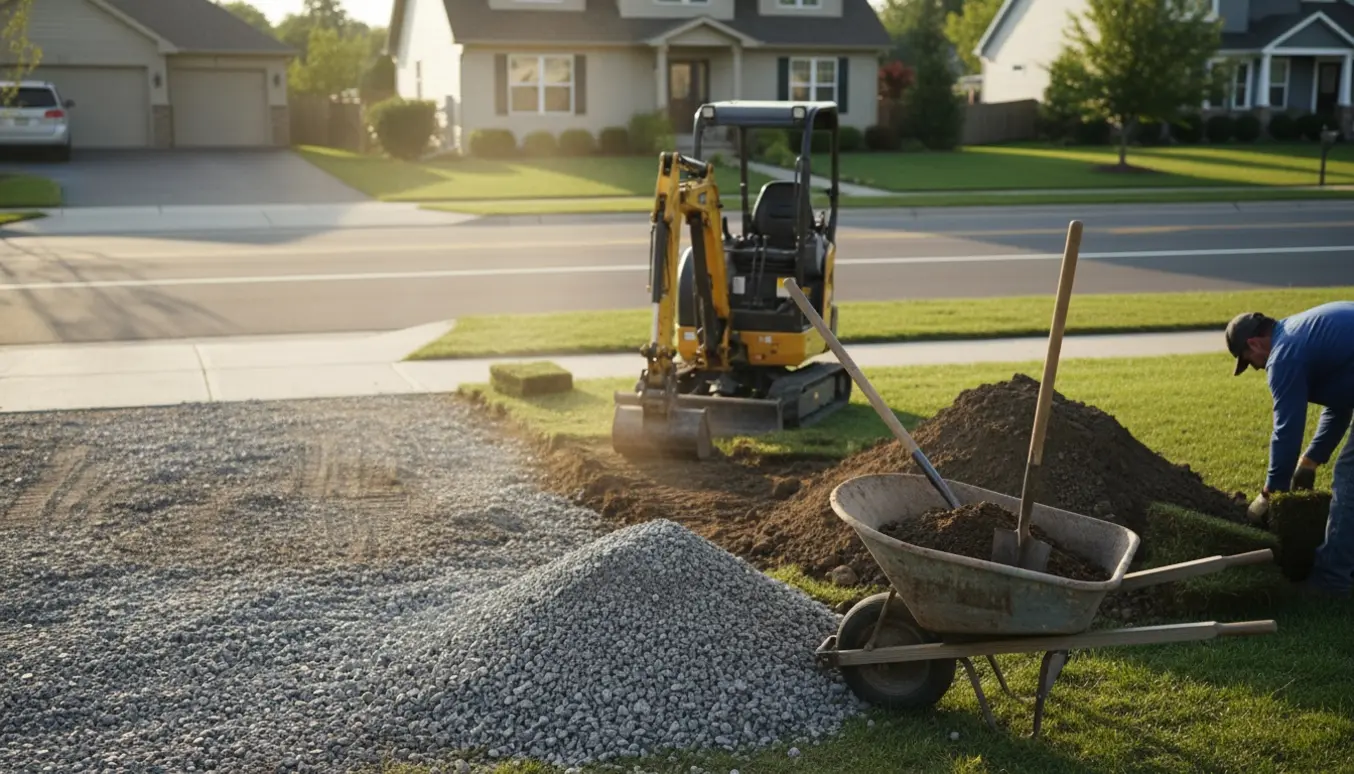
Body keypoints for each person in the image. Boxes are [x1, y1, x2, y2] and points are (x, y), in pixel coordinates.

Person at [1226, 301, 1354, 596]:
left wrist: (1272, 492)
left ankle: (1332, 580)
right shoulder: (1302, 331)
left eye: (1250, 360)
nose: (1258, 368)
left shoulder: (1283, 355)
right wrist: (1310, 461)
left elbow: (1287, 430)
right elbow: (1340, 406)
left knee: (1349, 478)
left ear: (1254, 343)